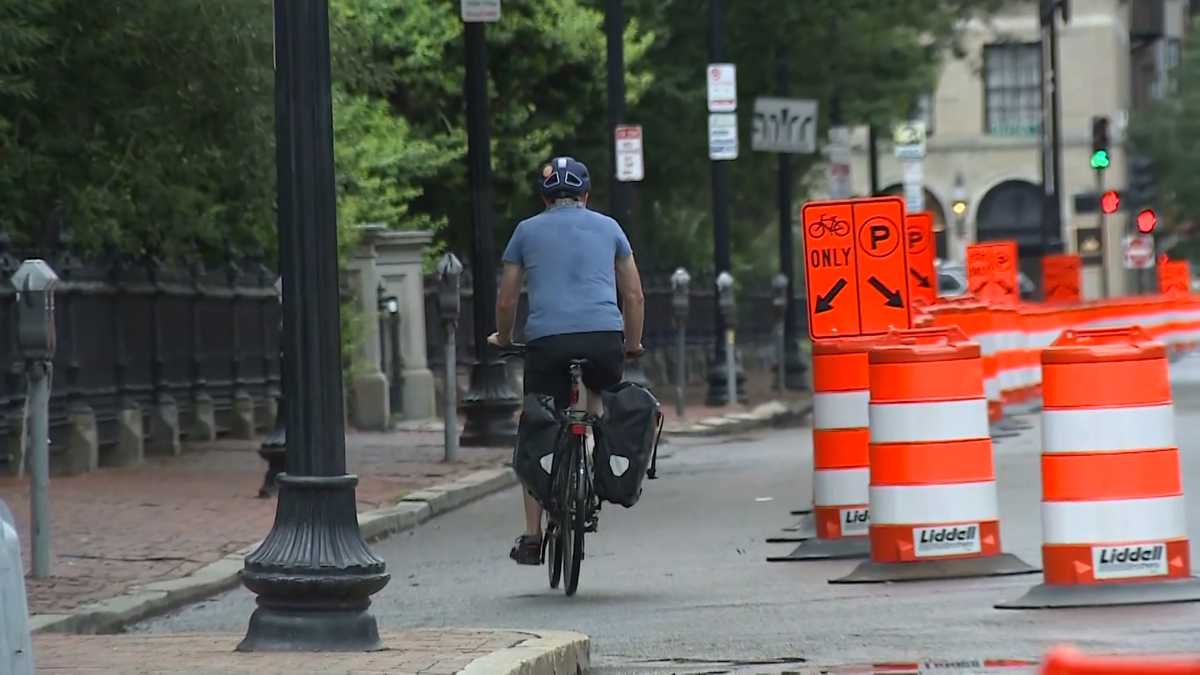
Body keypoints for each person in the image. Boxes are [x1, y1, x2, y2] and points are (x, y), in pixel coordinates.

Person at [487, 156, 645, 565]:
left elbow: (507, 298)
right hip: (603, 339)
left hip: (547, 343)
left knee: (535, 425)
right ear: (586, 196)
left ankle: (532, 535)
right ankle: (591, 461)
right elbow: (633, 296)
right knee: (595, 401)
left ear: (544, 198)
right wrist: (632, 343)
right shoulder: (610, 228)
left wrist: (503, 337)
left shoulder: (525, 231)